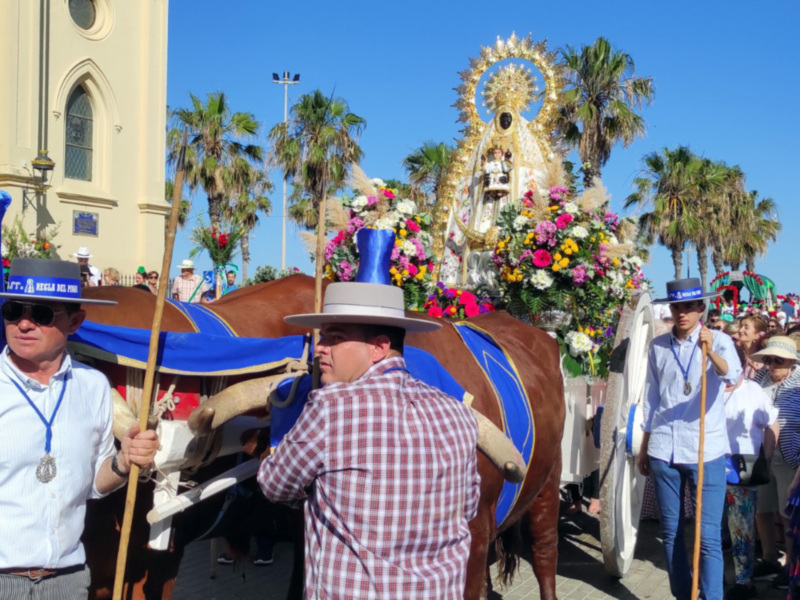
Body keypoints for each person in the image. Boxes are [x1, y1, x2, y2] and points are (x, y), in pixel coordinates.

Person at [257, 231, 480, 599]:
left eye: (334, 337)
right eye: (322, 336)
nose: (320, 348)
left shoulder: (331, 409)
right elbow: (468, 507)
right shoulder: (458, 414)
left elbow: (274, 485)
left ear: (379, 347)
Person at [0, 258, 159, 599]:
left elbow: (95, 484)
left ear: (75, 321)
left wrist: (124, 461)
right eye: (13, 310)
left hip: (69, 580)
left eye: (41, 314)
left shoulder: (94, 387)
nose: (24, 323)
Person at [638, 277, 741, 600]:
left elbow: (732, 375)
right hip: (663, 447)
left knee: (707, 537)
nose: (681, 313)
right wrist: (644, 445)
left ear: (701, 308)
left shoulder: (718, 340)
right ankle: (683, 595)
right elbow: (651, 398)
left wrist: (709, 353)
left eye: (688, 307)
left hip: (704, 448)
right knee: (671, 533)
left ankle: (711, 596)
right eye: (676, 307)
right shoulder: (658, 345)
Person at [723, 347, 779, 600]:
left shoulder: (752, 390)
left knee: (741, 527)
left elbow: (772, 423)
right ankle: (711, 578)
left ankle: (744, 582)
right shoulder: (708, 389)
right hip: (711, 465)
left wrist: (766, 456)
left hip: (743, 467)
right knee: (711, 528)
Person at [750, 336, 800, 589]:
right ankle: (770, 558)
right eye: (768, 359)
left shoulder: (798, 383)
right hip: (761, 455)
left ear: (792, 361)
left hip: (791, 458)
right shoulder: (760, 379)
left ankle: (790, 564)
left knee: (786, 512)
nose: (771, 365)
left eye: (778, 360)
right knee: (762, 508)